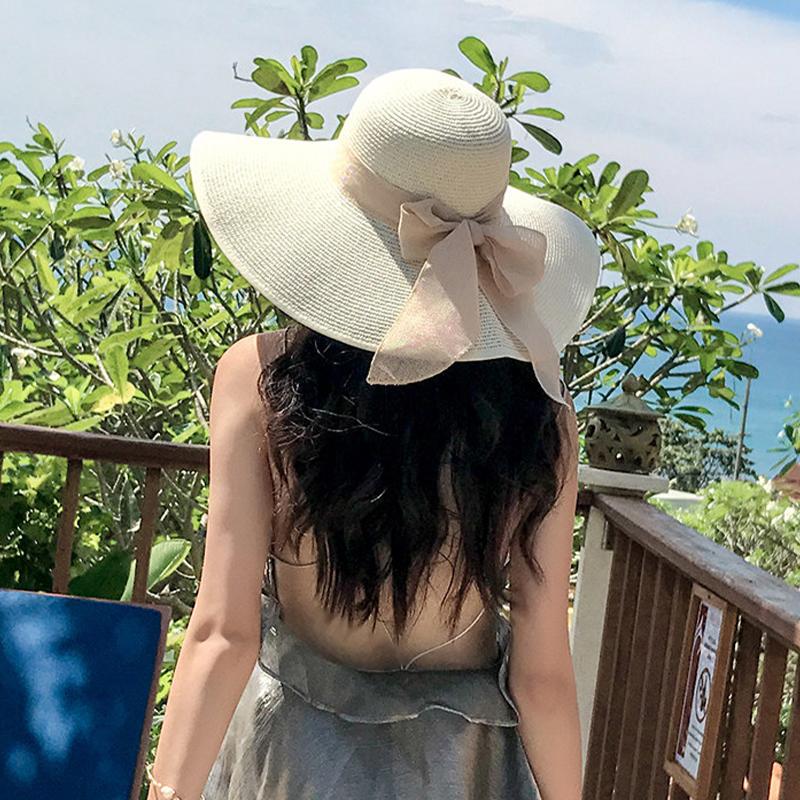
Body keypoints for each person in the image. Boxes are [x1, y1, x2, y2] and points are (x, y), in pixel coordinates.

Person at [145, 67, 601, 800]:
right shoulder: (541, 418)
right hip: (465, 771)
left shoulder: (261, 378)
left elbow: (224, 633)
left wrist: (169, 791)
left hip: (294, 762)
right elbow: (542, 674)